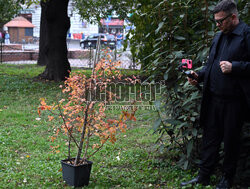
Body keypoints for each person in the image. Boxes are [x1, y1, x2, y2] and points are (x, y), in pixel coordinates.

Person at [180, 0, 250, 189]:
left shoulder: (246, 34)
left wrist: (235, 67)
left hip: (235, 102)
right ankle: (203, 176)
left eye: (221, 21)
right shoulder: (219, 36)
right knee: (210, 139)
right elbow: (211, 65)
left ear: (233, 17)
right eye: (216, 22)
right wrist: (198, 76)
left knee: (230, 141)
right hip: (213, 99)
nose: (217, 25)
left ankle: (227, 179)